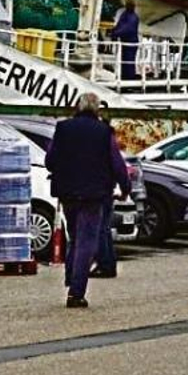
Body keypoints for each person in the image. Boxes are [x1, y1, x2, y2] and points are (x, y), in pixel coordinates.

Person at [45, 93, 132, 308]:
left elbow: (50, 161)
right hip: (94, 194)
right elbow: (117, 164)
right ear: (97, 110)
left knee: (74, 235)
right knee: (87, 242)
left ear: (78, 106)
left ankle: (71, 275)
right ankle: (76, 292)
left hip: (67, 193)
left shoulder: (63, 128)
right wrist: (125, 188)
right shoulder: (103, 132)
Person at [111, 0, 140, 82]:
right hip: (127, 42)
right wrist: (114, 32)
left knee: (128, 62)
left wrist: (114, 33)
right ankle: (126, 78)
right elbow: (122, 26)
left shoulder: (131, 16)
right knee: (126, 62)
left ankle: (129, 79)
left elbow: (126, 29)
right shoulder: (128, 15)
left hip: (130, 43)